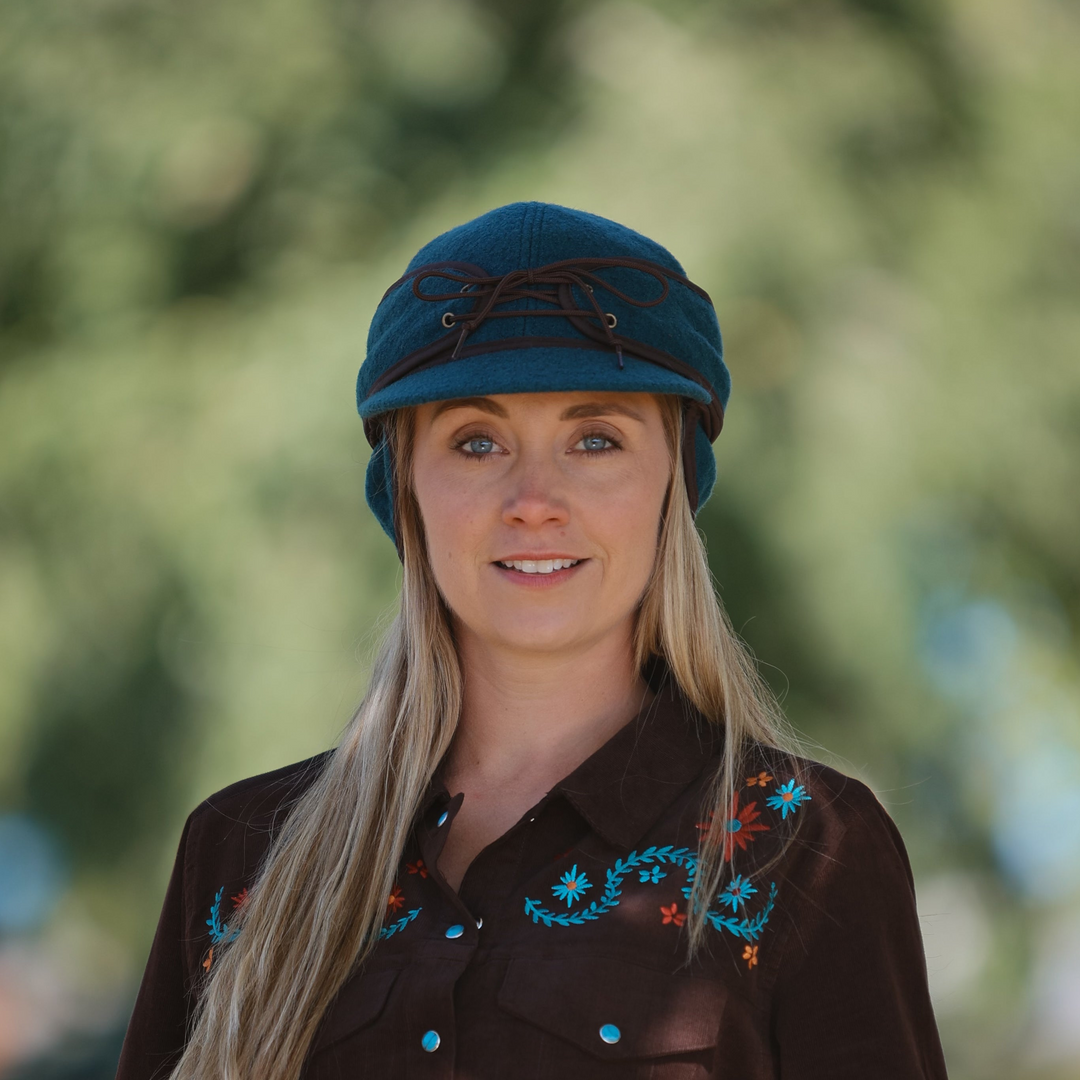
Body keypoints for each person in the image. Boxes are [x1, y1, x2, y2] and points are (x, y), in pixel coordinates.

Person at [117, 202, 948, 1079]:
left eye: (596, 440)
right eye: (476, 443)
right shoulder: (241, 851)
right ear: (406, 492)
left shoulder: (806, 853)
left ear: (673, 486)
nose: (534, 500)